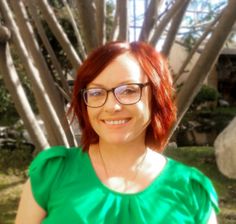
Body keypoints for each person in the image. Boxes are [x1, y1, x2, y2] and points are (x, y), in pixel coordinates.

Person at [15, 41, 219, 224]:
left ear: (156, 97)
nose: (112, 106)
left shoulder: (191, 190)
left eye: (128, 90)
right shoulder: (52, 173)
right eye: (96, 92)